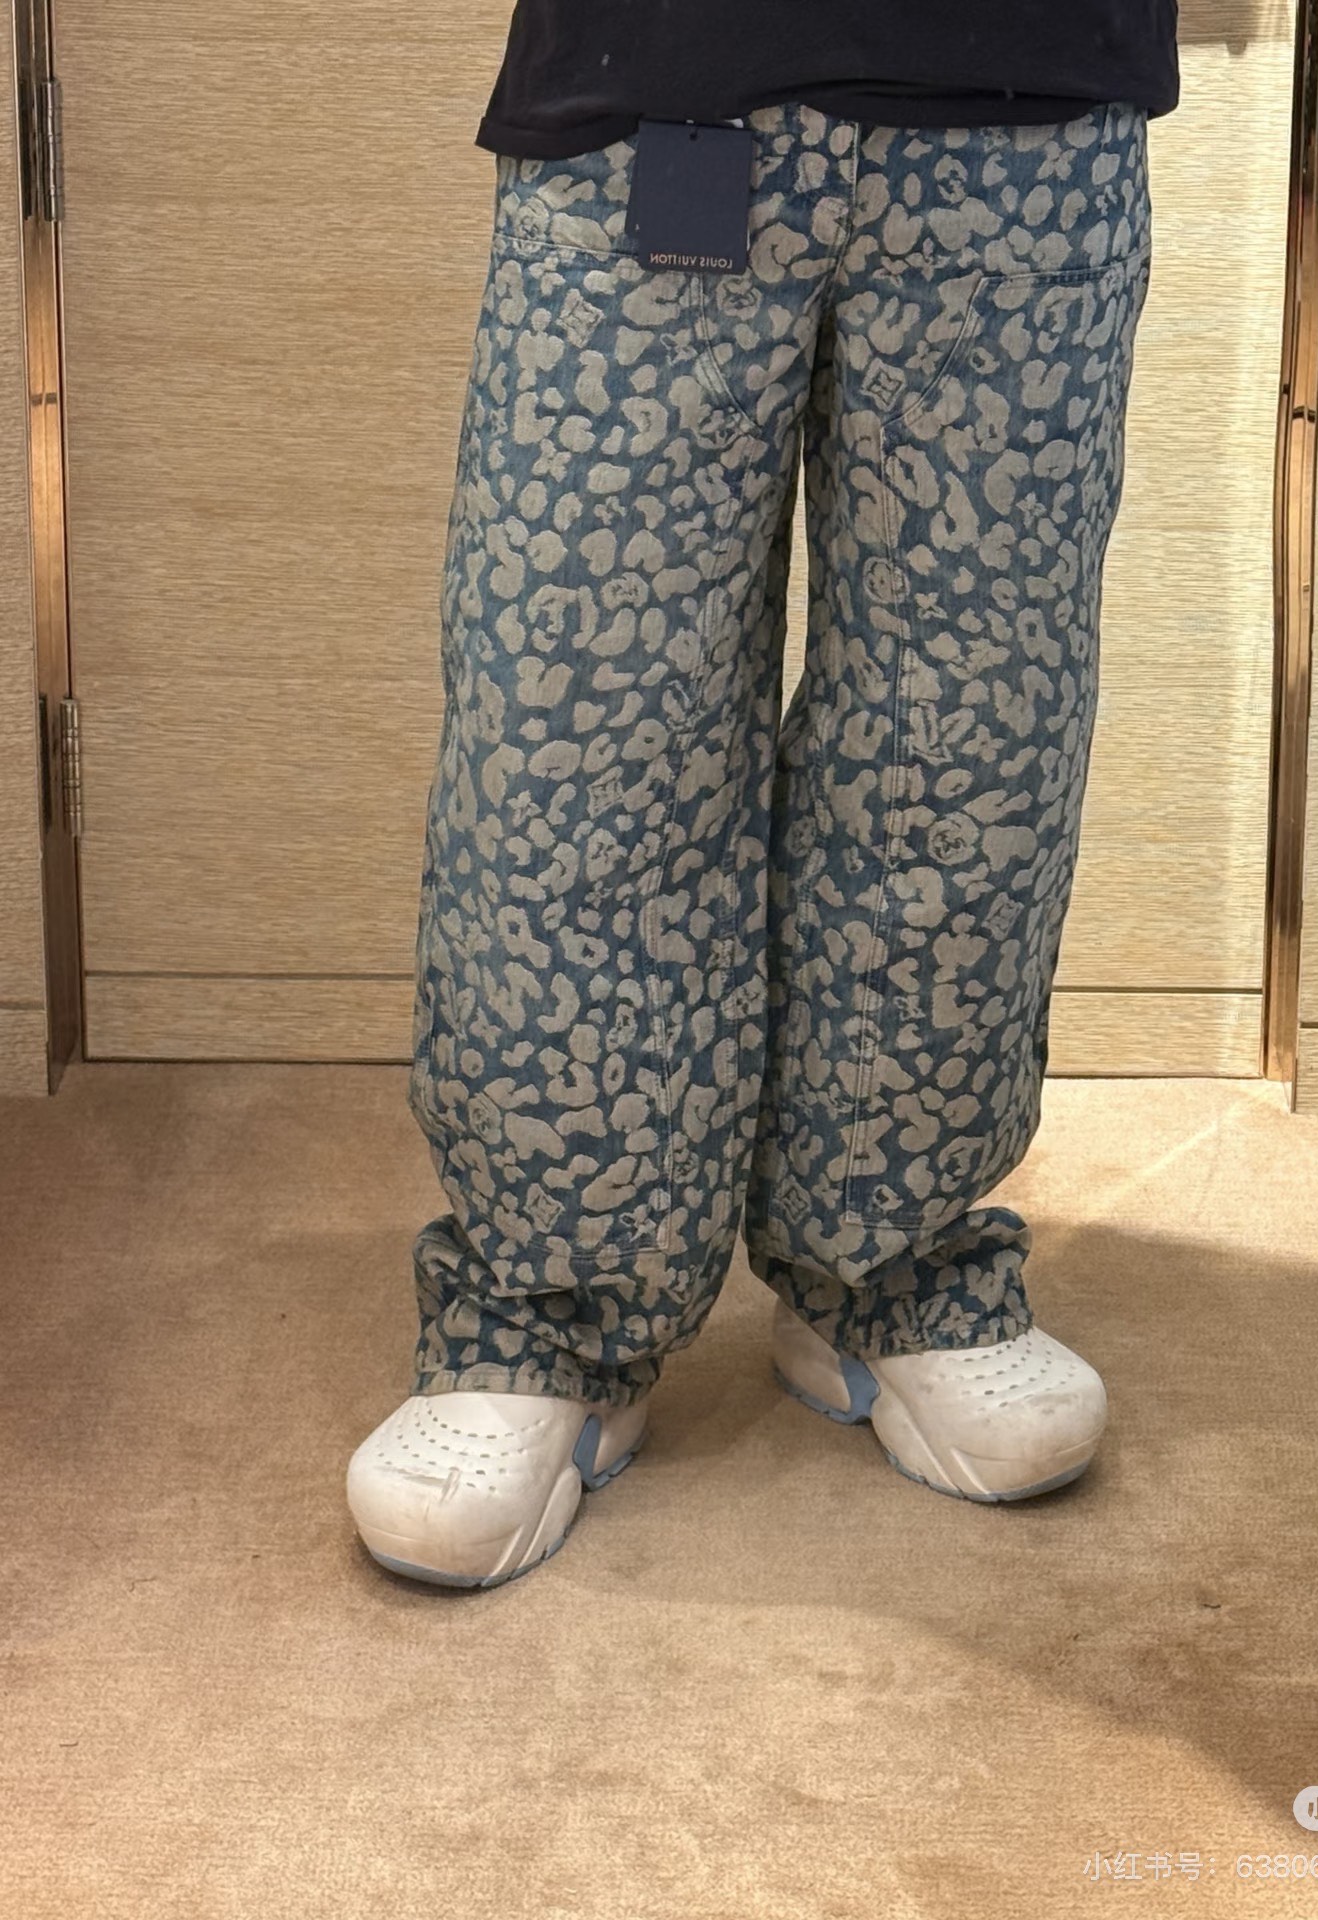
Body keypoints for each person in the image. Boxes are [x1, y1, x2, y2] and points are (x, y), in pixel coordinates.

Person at [346, 2, 1181, 1588]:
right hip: (653, 80)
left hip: (1034, 97)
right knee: (578, 736)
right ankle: (547, 1319)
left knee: (968, 741)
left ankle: (900, 1269)